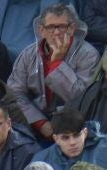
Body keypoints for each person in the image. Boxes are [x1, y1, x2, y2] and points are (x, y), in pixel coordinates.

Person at [7, 3, 97, 140]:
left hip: (75, 128)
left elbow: (82, 98)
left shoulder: (88, 55)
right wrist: (40, 123)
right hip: (35, 126)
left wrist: (57, 65)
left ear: (72, 28)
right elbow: (15, 93)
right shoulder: (28, 54)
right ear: (41, 30)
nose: (56, 32)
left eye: (61, 26)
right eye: (50, 27)